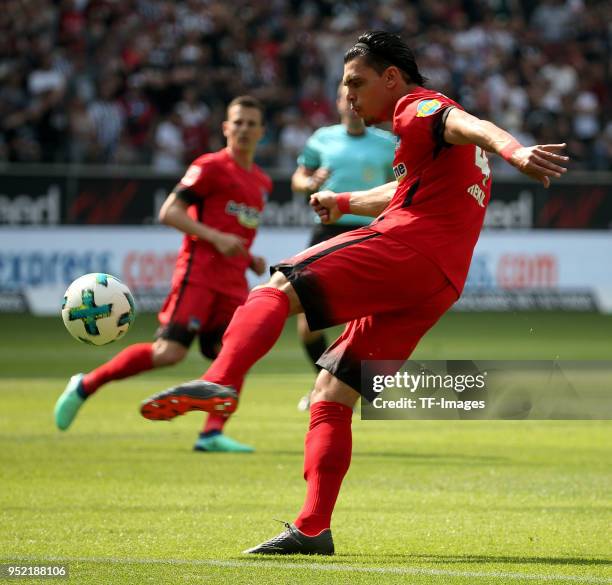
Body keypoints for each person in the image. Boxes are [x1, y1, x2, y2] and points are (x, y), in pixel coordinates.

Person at [139, 31, 569, 554]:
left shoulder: (418, 106)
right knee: (333, 391)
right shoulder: (426, 144)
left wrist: (515, 150)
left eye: (356, 84)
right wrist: (343, 199)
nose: (349, 96)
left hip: (408, 247)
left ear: (391, 78)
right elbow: (405, 189)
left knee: (278, 285)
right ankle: (313, 529)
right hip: (438, 283)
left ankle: (219, 380)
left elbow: (470, 124)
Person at [54, 95, 271, 453]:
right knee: (168, 353)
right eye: (238, 122)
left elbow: (233, 229)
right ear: (226, 128)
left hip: (233, 282)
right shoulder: (211, 166)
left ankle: (211, 433)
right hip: (198, 275)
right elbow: (170, 212)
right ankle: (85, 385)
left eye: (252, 123)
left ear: (262, 132)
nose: (244, 129)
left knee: (237, 352)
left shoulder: (261, 182)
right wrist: (216, 238)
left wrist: (249, 259)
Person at [291, 84, 396, 409]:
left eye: (356, 97)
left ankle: (345, 389)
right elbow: (299, 177)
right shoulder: (322, 138)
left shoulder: (388, 143)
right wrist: (308, 184)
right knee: (307, 326)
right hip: (326, 232)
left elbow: (402, 186)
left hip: (370, 232)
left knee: (364, 321)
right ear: (337, 102)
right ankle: (322, 384)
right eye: (345, 97)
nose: (351, 103)